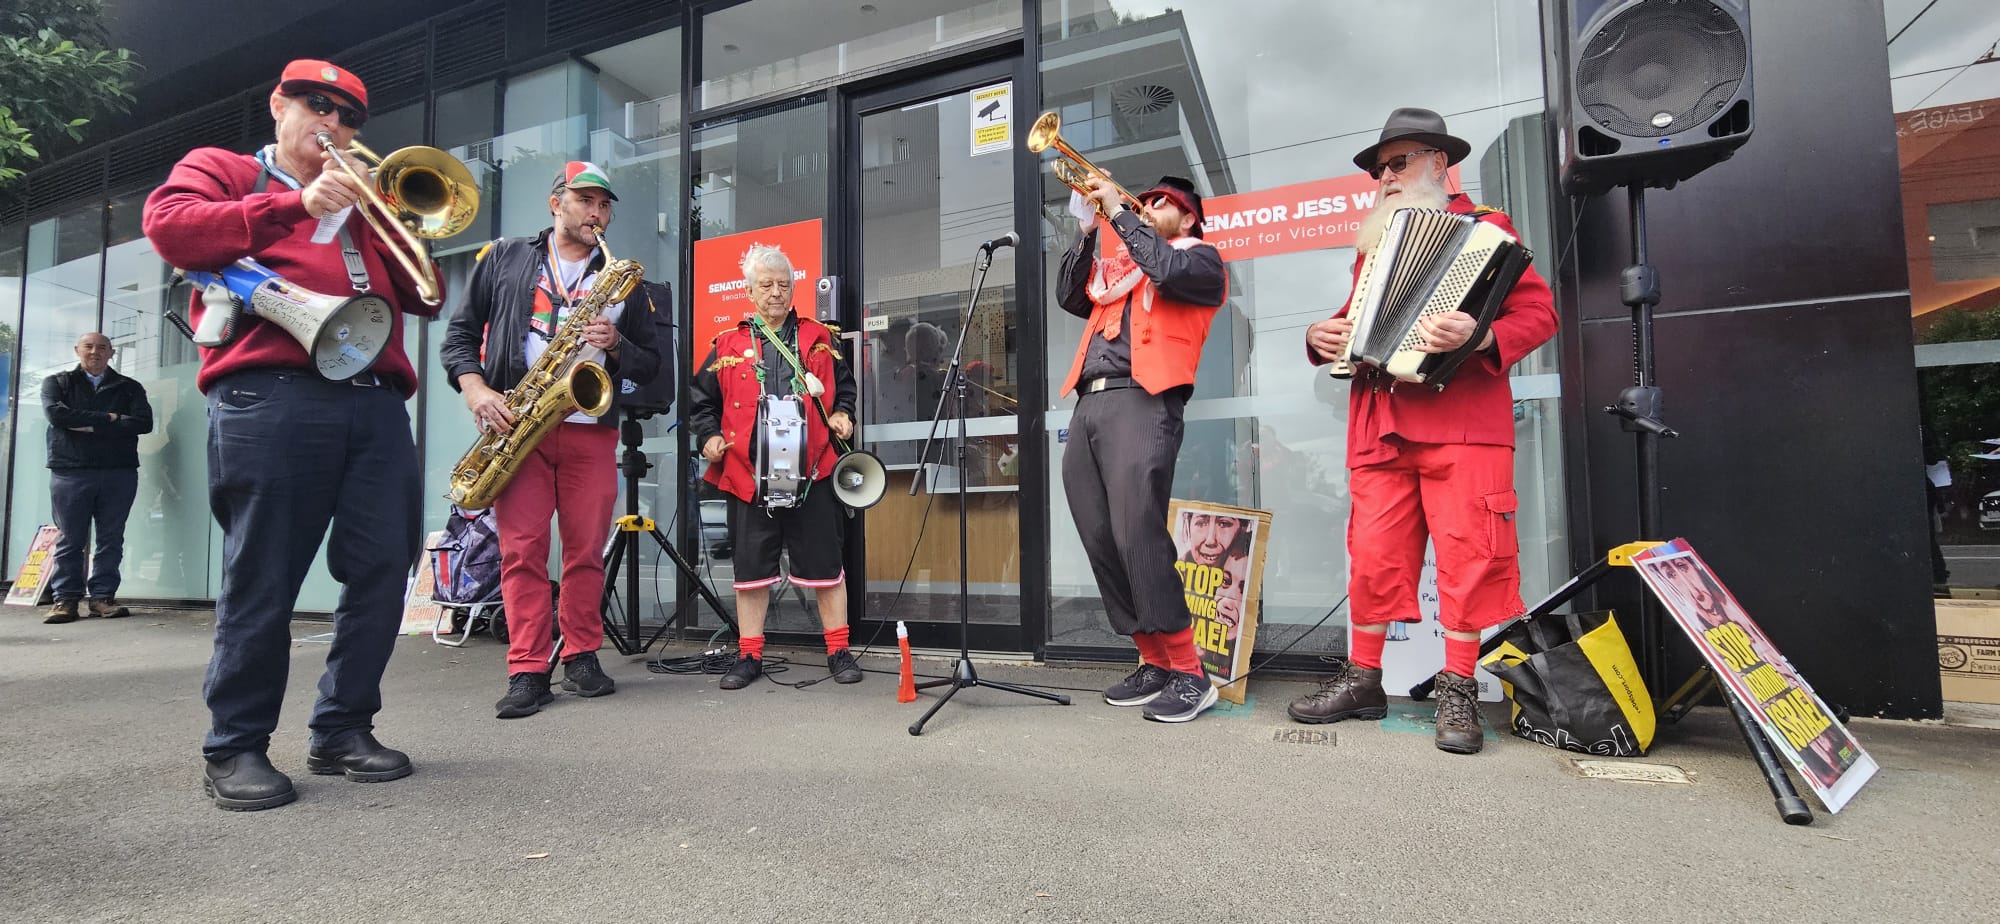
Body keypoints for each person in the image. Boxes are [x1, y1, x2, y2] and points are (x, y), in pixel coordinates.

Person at [143, 59, 433, 809]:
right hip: (271, 392)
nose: (332, 124)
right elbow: (169, 228)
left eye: (347, 116)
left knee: (381, 568)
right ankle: (235, 745)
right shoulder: (227, 170)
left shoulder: (367, 204)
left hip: (372, 400)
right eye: (316, 106)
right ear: (279, 105)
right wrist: (296, 205)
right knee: (264, 572)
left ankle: (342, 727)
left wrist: (393, 218)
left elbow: (423, 294)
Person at [1289, 108, 1558, 754]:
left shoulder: (1488, 228)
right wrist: (1317, 334)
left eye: (1398, 162)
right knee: (1374, 558)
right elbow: (1359, 320)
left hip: (1462, 425)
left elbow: (1540, 312)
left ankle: (1458, 688)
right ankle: (1364, 680)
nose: (1384, 176)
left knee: (1470, 560)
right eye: (1380, 168)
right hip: (1380, 425)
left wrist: (1483, 334)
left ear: (1440, 163)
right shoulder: (1377, 239)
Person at [441, 161, 666, 719]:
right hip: (519, 426)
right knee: (522, 552)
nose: (597, 213)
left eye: (605, 205)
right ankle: (527, 668)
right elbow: (460, 337)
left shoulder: (624, 280)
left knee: (587, 550)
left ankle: (583, 655)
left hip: (590, 429)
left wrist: (616, 345)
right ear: (555, 202)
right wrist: (476, 393)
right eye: (586, 201)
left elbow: (654, 364)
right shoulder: (503, 258)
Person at [1056, 173, 1228, 723]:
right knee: (1100, 535)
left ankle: (1191, 672)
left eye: (1161, 205)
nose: (1148, 209)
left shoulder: (1199, 261)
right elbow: (1068, 295)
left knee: (1137, 533)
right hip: (1089, 404)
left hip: (1144, 400)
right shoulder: (1122, 270)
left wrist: (1122, 213)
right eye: (1143, 202)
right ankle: (1153, 658)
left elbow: (1166, 267)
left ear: (1190, 218)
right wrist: (1086, 229)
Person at [688, 244, 863, 689]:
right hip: (749, 475)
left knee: (827, 566)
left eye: (784, 285)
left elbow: (845, 390)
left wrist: (844, 414)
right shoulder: (725, 345)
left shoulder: (819, 337)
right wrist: (708, 437)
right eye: (765, 285)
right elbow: (702, 403)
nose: (776, 293)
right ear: (748, 290)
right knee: (750, 573)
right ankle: (749, 656)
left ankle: (839, 651)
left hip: (814, 473)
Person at [40, 332, 154, 624]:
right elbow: (57, 416)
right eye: (89, 346)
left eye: (102, 347)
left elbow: (143, 423)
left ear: (111, 353)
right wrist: (113, 419)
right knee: (70, 539)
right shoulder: (58, 383)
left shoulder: (129, 387)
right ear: (77, 350)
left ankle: (102, 598)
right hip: (70, 470)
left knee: (111, 538)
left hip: (118, 472)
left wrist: (87, 423)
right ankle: (65, 600)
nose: (95, 352)